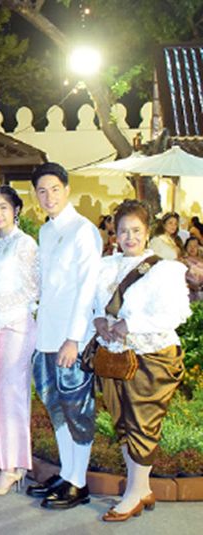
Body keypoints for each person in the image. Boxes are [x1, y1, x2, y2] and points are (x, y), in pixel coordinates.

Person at [92, 200, 190, 522]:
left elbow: (176, 313)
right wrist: (99, 319)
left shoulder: (164, 269)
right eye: (123, 231)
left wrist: (130, 324)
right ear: (114, 233)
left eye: (136, 231)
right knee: (123, 422)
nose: (130, 237)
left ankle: (134, 493)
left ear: (147, 232)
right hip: (114, 357)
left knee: (142, 425)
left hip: (152, 357)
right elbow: (96, 304)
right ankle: (141, 487)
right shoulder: (106, 266)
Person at [26, 162, 102, 510]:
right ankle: (68, 474)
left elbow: (87, 288)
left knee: (77, 407)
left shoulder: (83, 231)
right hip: (47, 333)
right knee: (56, 406)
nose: (49, 196)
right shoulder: (47, 231)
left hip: (71, 337)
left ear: (67, 189)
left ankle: (79, 483)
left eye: (55, 189)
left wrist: (74, 338)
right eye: (42, 191)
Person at [0, 185, 38, 495]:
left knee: (13, 396)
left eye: (3, 207)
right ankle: (5, 464)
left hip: (16, 325)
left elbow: (32, 289)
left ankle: (13, 468)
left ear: (16, 210)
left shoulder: (25, 244)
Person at [183, 237, 203, 301]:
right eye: (190, 246)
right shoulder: (183, 261)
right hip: (191, 293)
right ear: (186, 247)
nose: (192, 248)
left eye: (195, 246)